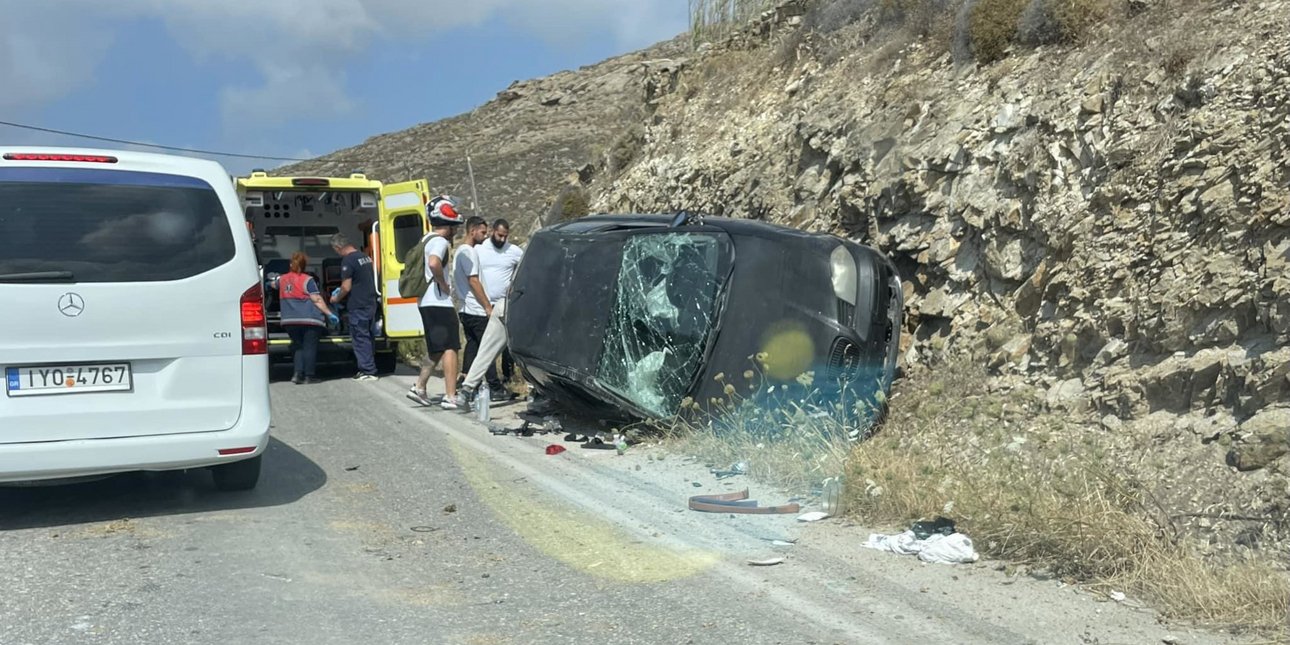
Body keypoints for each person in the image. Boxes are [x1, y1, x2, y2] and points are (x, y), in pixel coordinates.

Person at [457, 218, 525, 406]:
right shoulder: (478, 250)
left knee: (507, 348)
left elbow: (525, 269)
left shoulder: (514, 252)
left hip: (506, 305)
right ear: (494, 231)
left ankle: (507, 378)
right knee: (486, 347)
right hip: (486, 307)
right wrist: (485, 305)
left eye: (505, 236)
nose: (502, 239)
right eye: (498, 235)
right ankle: (473, 386)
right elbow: (471, 276)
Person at [407, 196, 465, 410]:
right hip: (439, 302)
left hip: (426, 301)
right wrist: (443, 284)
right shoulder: (440, 242)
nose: (456, 231)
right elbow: (433, 263)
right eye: (455, 227)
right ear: (448, 225)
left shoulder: (426, 239)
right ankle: (450, 396)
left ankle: (419, 387)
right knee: (451, 346)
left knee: (437, 347)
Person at [453, 216, 507, 396]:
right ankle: (495, 387)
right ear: (472, 231)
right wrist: (487, 306)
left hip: (465, 309)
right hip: (476, 310)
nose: (485, 237)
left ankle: (466, 381)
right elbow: (474, 281)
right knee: (488, 348)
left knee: (474, 345)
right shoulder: (469, 252)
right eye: (483, 233)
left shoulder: (460, 251)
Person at [279, 252, 339, 385]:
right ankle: (309, 375)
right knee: (309, 347)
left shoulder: (282, 279)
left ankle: (297, 374)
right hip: (309, 320)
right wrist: (329, 314)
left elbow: (272, 284)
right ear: (305, 266)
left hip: (289, 321)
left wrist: (268, 282)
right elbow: (316, 299)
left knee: (298, 346)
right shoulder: (307, 280)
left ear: (290, 264)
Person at [329, 233, 380, 381]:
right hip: (370, 302)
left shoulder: (348, 260)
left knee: (360, 338)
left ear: (338, 247)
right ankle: (370, 367)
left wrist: (335, 298)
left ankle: (368, 370)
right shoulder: (365, 257)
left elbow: (346, 287)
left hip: (358, 304)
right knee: (368, 336)